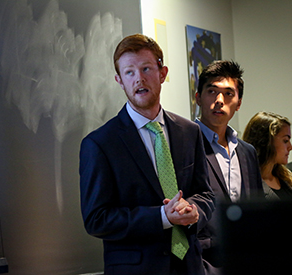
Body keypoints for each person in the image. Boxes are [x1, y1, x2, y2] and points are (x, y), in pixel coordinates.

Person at [79, 34, 213, 275]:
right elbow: (97, 219)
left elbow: (205, 193)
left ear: (162, 74)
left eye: (146, 68)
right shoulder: (99, 143)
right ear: (119, 80)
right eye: (129, 72)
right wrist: (162, 217)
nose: (139, 78)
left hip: (191, 266)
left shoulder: (190, 131)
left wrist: (193, 210)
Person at [193, 60, 264, 273]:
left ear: (239, 102)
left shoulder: (247, 151)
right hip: (203, 262)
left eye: (228, 94)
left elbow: (256, 209)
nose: (219, 100)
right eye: (212, 91)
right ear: (198, 97)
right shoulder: (184, 145)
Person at [242, 111, 292, 200]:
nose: (290, 147)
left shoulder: (286, 178)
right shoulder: (246, 185)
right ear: (266, 142)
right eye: (285, 141)